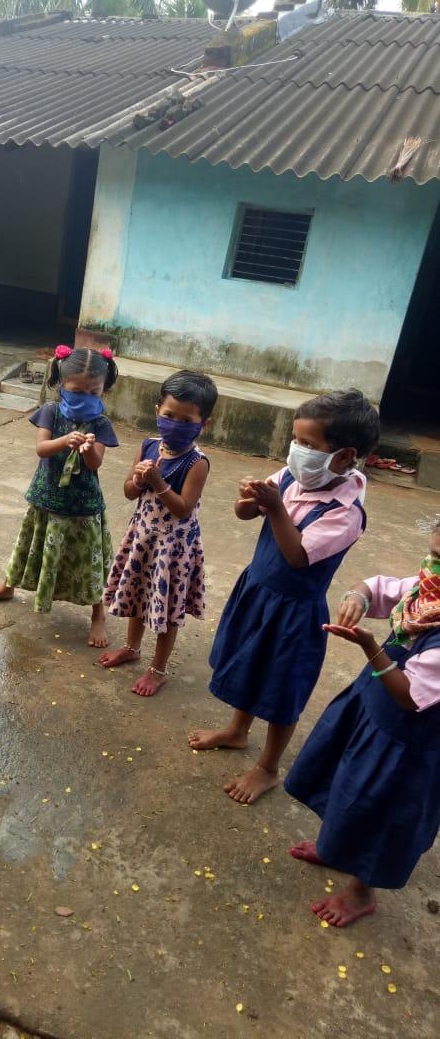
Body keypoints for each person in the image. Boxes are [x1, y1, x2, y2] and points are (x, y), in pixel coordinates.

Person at [188, 390, 380, 803]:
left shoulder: (346, 512)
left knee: (280, 688)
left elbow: (296, 556)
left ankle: (268, 767)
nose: (297, 451)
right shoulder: (297, 475)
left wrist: (275, 509)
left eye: (309, 445)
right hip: (257, 590)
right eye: (296, 440)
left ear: (345, 457)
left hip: (295, 611)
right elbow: (244, 514)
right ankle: (238, 731)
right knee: (247, 665)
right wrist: (251, 501)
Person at [285, 522, 440, 926]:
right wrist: (359, 594)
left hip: (409, 741)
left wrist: (371, 646)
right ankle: (334, 846)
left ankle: (361, 892)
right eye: (433, 556)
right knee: (348, 784)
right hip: (375, 713)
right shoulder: (427, 591)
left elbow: (409, 696)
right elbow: (380, 586)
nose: (430, 571)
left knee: (380, 810)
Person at [0, 345, 119, 648]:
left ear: (104, 389)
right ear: (60, 384)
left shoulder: (101, 423)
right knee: (28, 544)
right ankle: (7, 587)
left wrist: (89, 446)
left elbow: (95, 463)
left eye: (93, 391)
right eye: (78, 390)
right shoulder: (50, 412)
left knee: (89, 557)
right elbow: (42, 449)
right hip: (47, 496)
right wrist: (66, 440)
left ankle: (98, 615)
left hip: (83, 505)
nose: (86, 396)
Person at [98, 371, 217, 697]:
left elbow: (183, 508)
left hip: (174, 548)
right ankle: (132, 648)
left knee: (168, 610)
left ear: (202, 423)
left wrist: (159, 482)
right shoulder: (148, 447)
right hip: (143, 537)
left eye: (186, 419)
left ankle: (158, 669)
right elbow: (127, 492)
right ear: (157, 411)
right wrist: (138, 480)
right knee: (136, 594)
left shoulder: (197, 462)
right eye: (169, 415)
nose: (175, 423)